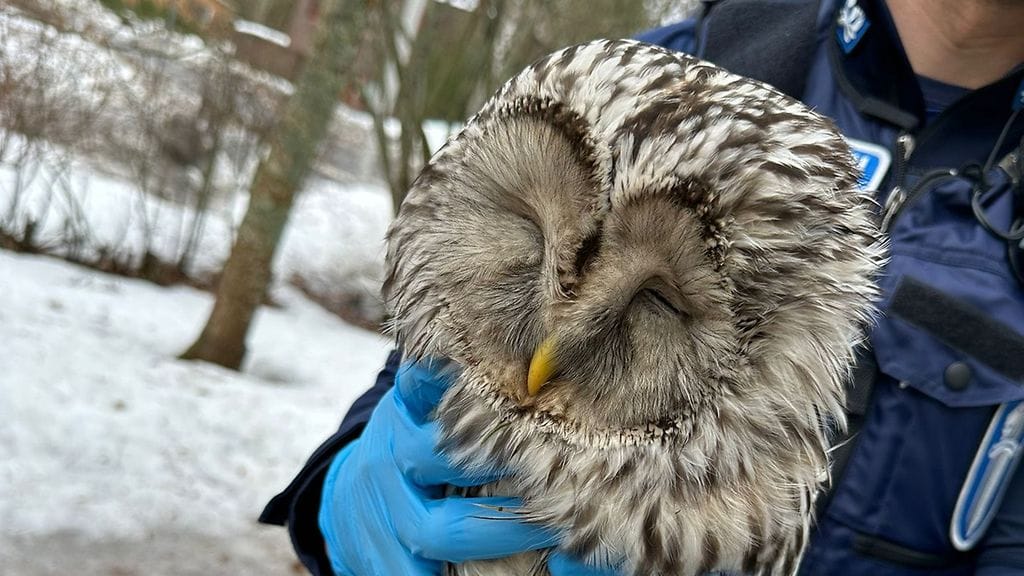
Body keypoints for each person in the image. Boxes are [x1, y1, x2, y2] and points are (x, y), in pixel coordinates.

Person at [260, 0, 1024, 573]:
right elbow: (412, 384)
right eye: (531, 242)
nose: (551, 352)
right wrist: (344, 493)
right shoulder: (668, 69)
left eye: (660, 302)